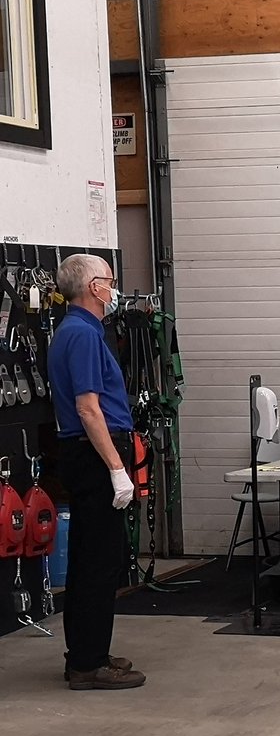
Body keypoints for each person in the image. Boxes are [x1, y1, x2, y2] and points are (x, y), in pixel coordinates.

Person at [48, 254, 144, 690]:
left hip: (88, 453)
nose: (114, 286)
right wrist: (117, 469)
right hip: (93, 455)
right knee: (97, 562)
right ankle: (87, 664)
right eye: (109, 280)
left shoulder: (77, 330)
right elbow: (89, 408)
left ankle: (90, 652)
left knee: (96, 558)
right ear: (93, 287)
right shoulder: (82, 335)